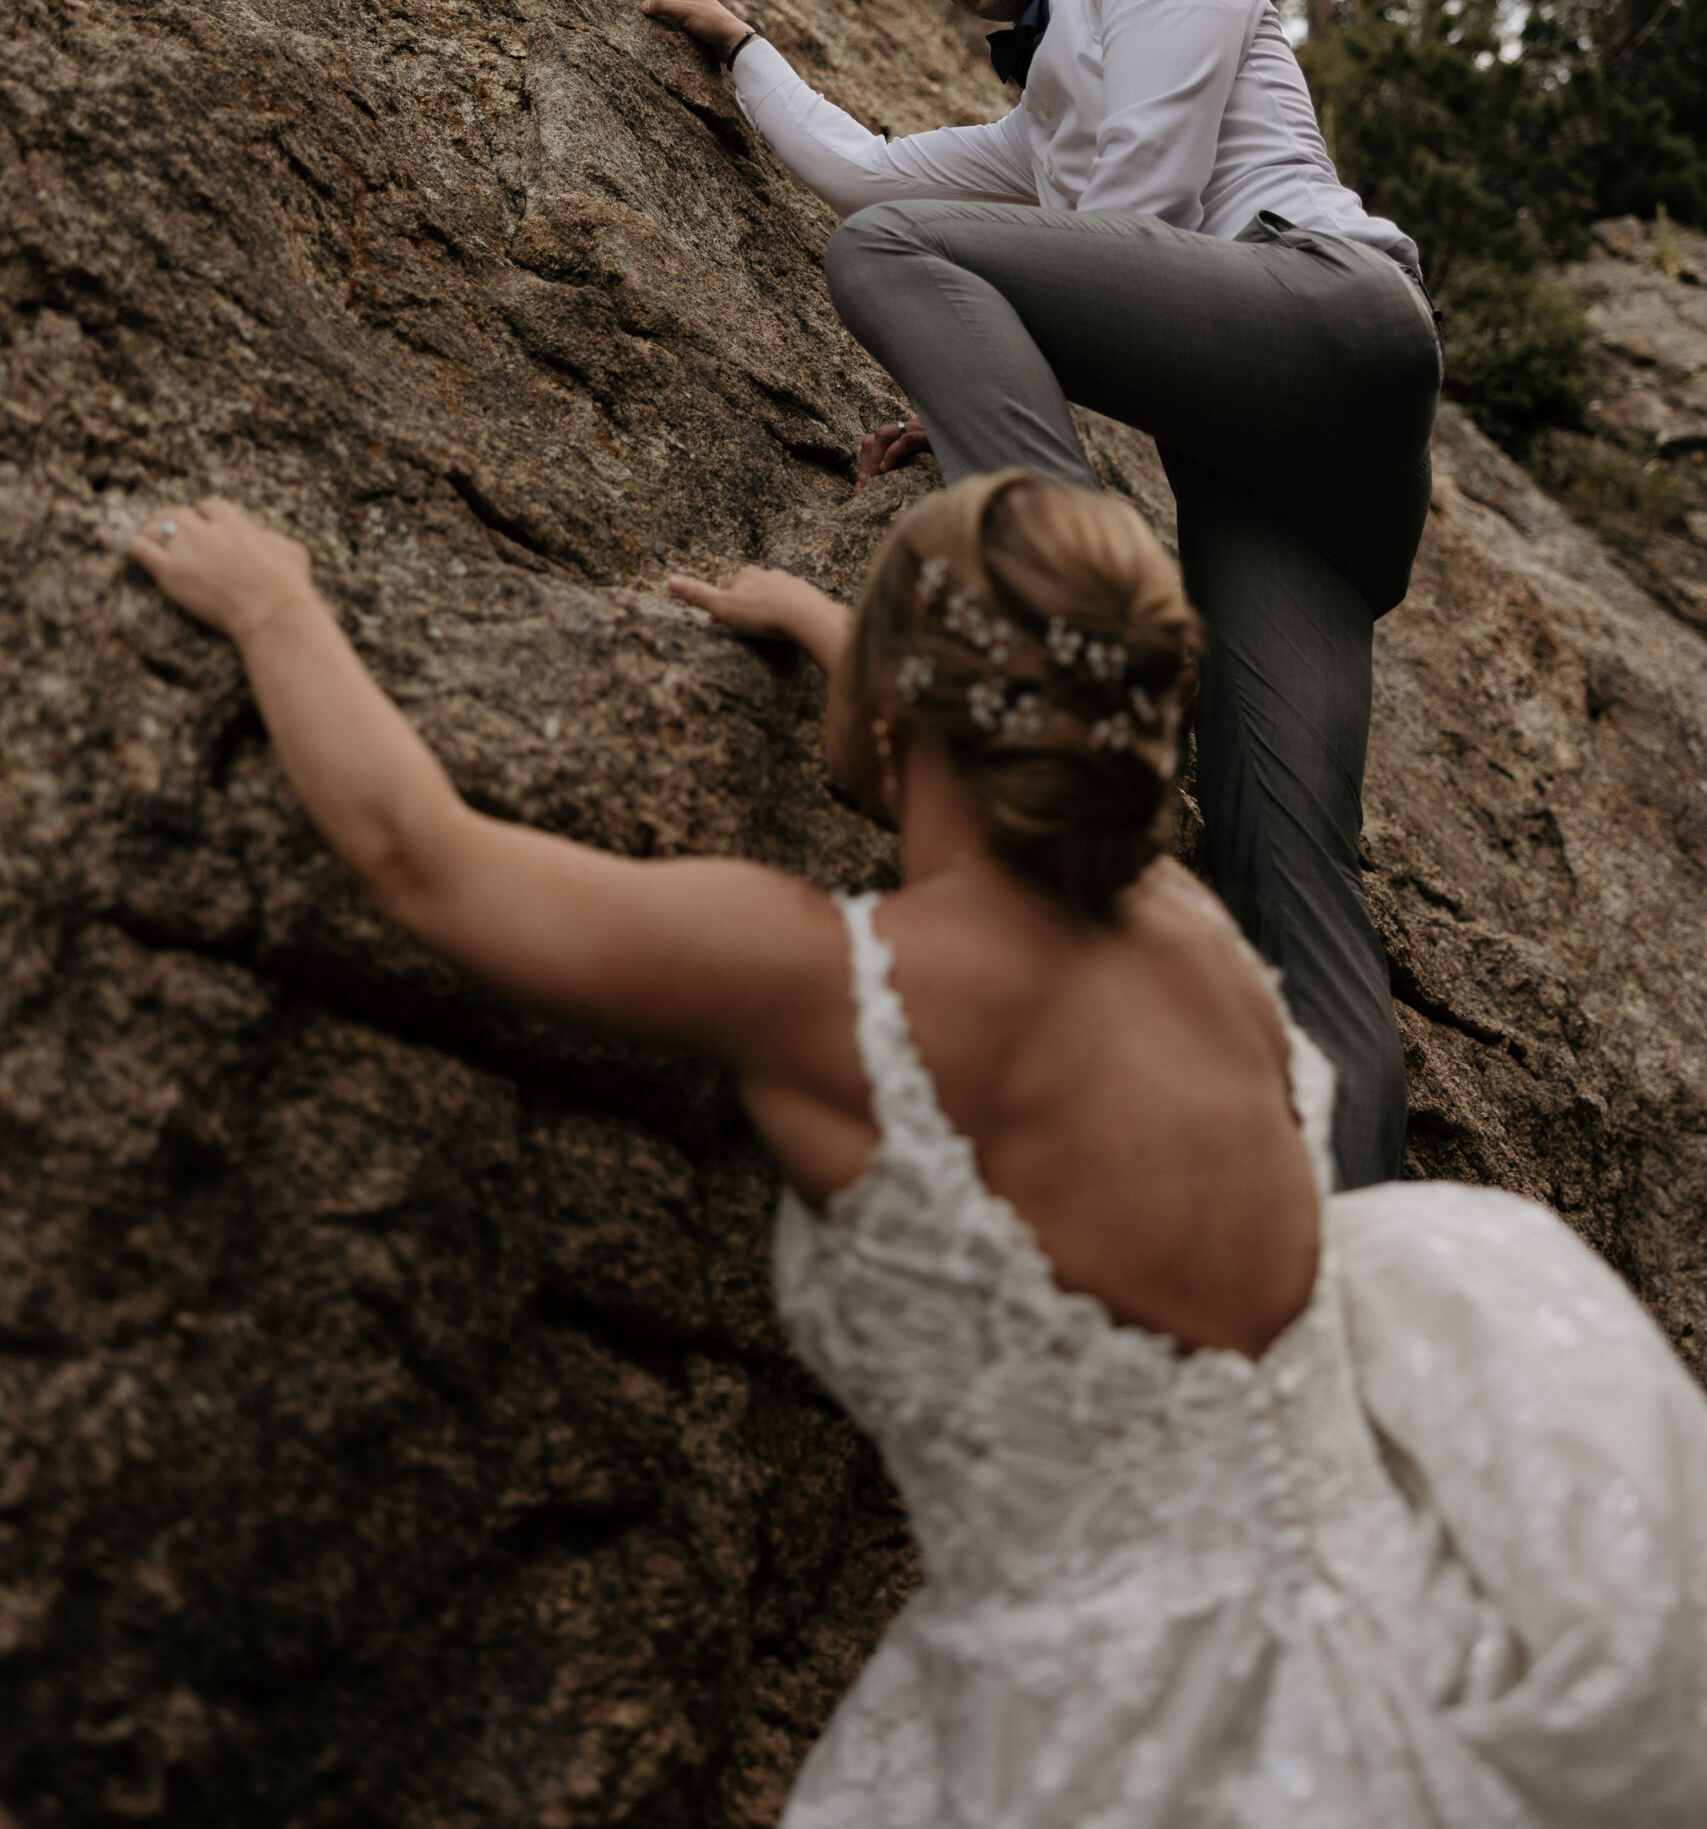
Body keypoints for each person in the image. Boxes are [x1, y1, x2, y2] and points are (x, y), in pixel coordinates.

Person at [129, 483, 1707, 1827]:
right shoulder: (1190, 935)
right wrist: (837, 629)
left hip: (1109, 1736)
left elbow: (428, 857)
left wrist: (275, 605)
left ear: (902, 710)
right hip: (1385, 1662)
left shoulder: (830, 989)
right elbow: (1015, 754)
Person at [636, 0, 1442, 1189]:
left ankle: (1064, 580)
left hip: (1331, 312)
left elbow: (1139, 185)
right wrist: (747, 48)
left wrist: (989, 372)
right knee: (1284, 900)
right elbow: (870, 171)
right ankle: (1350, 1285)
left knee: (889, 263)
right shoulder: (1032, 137)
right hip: (1281, 488)